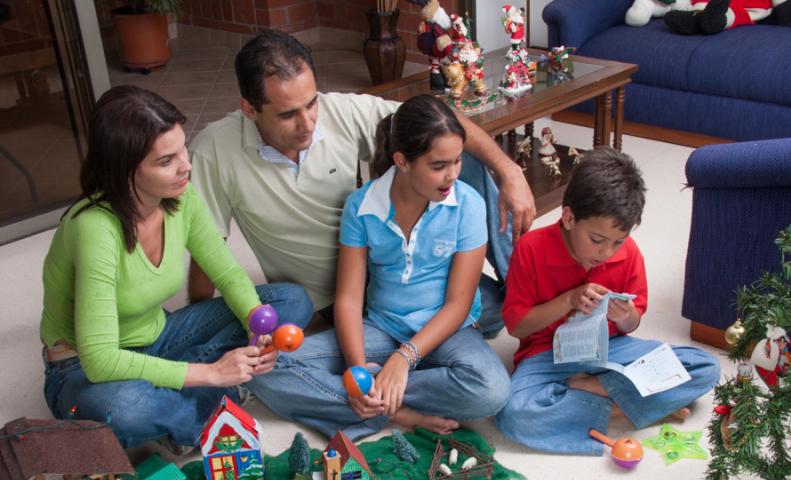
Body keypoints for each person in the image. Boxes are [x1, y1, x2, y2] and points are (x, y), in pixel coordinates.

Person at [188, 29, 534, 335]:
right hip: (329, 297)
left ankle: (522, 288)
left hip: (391, 265)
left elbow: (437, 123)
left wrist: (509, 171)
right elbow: (207, 248)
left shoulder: (340, 111)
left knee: (456, 156)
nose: (307, 123)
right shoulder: (213, 150)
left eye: (311, 104)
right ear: (249, 109)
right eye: (288, 114)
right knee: (478, 316)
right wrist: (197, 320)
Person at [40, 86, 312, 449]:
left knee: (290, 302)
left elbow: (229, 274)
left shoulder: (180, 196)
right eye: (166, 160)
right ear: (124, 170)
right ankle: (212, 401)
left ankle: (190, 400)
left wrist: (254, 321)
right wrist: (211, 373)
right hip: (82, 368)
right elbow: (100, 361)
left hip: (159, 336)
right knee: (123, 409)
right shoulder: (93, 228)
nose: (186, 165)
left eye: (182, 148)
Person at [246, 95, 511, 440]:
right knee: (265, 368)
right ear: (401, 161)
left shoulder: (467, 205)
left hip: (447, 330)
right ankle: (396, 412)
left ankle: (372, 399)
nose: (452, 175)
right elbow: (349, 300)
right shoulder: (361, 206)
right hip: (383, 328)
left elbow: (459, 304)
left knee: (491, 391)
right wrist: (357, 371)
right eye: (438, 165)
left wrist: (402, 361)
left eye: (457, 161)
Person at [495, 148, 719, 455]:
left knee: (706, 366)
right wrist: (568, 301)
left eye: (617, 242)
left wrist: (624, 316)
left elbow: (633, 322)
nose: (606, 253)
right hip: (547, 356)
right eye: (597, 240)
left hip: (611, 350)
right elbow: (517, 328)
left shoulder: (629, 254)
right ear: (569, 216)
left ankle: (593, 390)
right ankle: (628, 408)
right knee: (514, 414)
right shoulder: (530, 250)